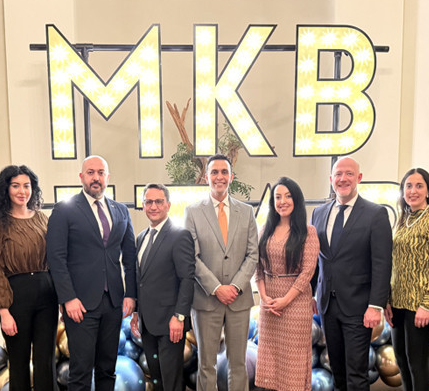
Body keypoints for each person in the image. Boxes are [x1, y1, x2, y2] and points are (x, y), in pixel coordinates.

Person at [46, 155, 137, 391]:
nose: (96, 177)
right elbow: (56, 258)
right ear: (81, 177)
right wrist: (68, 298)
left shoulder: (121, 211)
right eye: (90, 172)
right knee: (81, 370)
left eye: (100, 173)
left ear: (107, 177)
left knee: (107, 368)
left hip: (114, 302)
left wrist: (131, 294)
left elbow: (130, 257)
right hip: (80, 304)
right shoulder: (64, 210)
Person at [311, 156, 392, 391]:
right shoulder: (319, 213)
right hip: (327, 306)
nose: (343, 179)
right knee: (337, 371)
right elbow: (316, 258)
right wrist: (312, 293)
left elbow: (382, 263)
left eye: (349, 174)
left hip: (359, 307)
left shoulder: (375, 214)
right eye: (338, 174)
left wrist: (375, 305)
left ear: (359, 178)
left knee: (356, 374)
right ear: (331, 179)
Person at [184, 153, 258, 391]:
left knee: (238, 364)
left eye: (224, 172)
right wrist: (216, 288)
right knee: (207, 364)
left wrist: (234, 287)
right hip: (206, 299)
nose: (219, 177)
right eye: (214, 172)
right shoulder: (192, 212)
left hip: (239, 299)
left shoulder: (246, 212)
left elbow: (253, 255)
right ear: (206, 177)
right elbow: (192, 256)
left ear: (231, 177)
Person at [0, 165, 59, 390]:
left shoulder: (43, 219)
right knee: (18, 361)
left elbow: (56, 260)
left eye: (26, 186)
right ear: (6, 189)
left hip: (47, 294)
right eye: (15, 186)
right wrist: (4, 311)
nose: (22, 191)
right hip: (15, 297)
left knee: (46, 361)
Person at [383, 168, 429, 391]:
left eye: (419, 186)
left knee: (417, 363)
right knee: (401, 360)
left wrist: (427, 303)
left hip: (423, 305)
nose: (413, 191)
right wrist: (388, 300)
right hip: (399, 303)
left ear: (428, 191)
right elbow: (395, 263)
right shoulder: (403, 219)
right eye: (408, 186)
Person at [255, 177, 319, 390]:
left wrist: (285, 300)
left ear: (297, 199)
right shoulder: (265, 229)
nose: (282, 201)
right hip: (269, 304)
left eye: (288, 196)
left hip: (295, 304)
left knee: (292, 363)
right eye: (278, 197)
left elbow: (307, 272)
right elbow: (257, 268)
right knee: (271, 360)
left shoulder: (308, 232)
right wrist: (264, 297)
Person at [130, 183, 195, 391]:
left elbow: (187, 279)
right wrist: (136, 312)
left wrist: (180, 317)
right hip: (148, 324)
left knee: (171, 382)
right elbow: (141, 280)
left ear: (168, 205)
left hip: (171, 323)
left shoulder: (179, 235)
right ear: (143, 205)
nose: (153, 206)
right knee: (157, 379)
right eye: (149, 202)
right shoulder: (141, 237)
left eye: (158, 201)